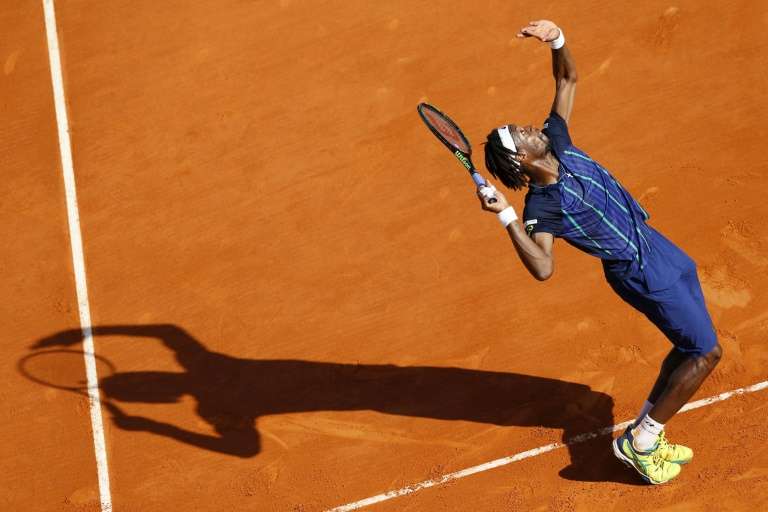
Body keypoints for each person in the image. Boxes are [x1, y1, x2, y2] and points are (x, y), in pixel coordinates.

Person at [476, 19, 722, 485]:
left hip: (657, 245)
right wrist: (506, 215)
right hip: (639, 271)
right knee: (706, 353)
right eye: (520, 133)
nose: (528, 127)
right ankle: (642, 441)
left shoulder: (557, 140)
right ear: (521, 158)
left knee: (688, 346)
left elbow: (567, 79)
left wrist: (557, 39)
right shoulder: (541, 207)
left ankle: (646, 432)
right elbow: (543, 267)